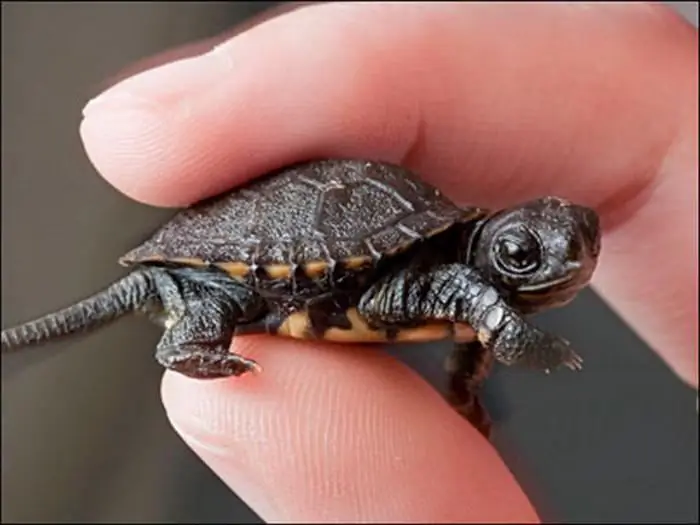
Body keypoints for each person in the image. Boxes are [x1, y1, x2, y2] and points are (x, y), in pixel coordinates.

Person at [79, 3, 697, 522]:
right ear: (487, 245)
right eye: (521, 253)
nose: (565, 261)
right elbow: (466, 297)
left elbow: (468, 312)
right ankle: (187, 339)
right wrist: (516, 338)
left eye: (583, 242)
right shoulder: (450, 278)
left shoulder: (454, 277)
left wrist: (469, 379)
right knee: (225, 300)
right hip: (230, 269)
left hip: (329, 286)